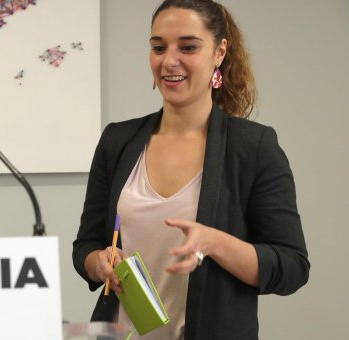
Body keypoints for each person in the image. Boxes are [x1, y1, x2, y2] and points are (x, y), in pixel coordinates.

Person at [72, 1, 309, 339]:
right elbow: (86, 245)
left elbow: (292, 267)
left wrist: (213, 242)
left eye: (188, 46)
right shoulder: (117, 140)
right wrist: (97, 262)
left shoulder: (254, 147)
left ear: (219, 52)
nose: (169, 60)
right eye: (158, 47)